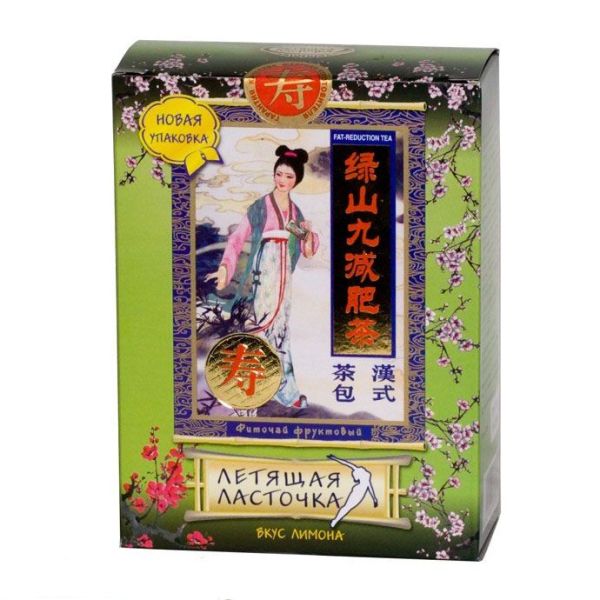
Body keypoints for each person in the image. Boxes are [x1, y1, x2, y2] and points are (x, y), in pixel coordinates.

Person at [205, 145, 319, 409]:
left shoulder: (294, 213)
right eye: (279, 174)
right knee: (263, 326)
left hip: (283, 275)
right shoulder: (260, 208)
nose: (282, 180)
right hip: (263, 271)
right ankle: (255, 385)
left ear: (296, 180)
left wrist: (308, 234)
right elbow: (237, 238)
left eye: (289, 176)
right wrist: (225, 268)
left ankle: (285, 391)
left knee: (281, 330)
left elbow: (307, 250)